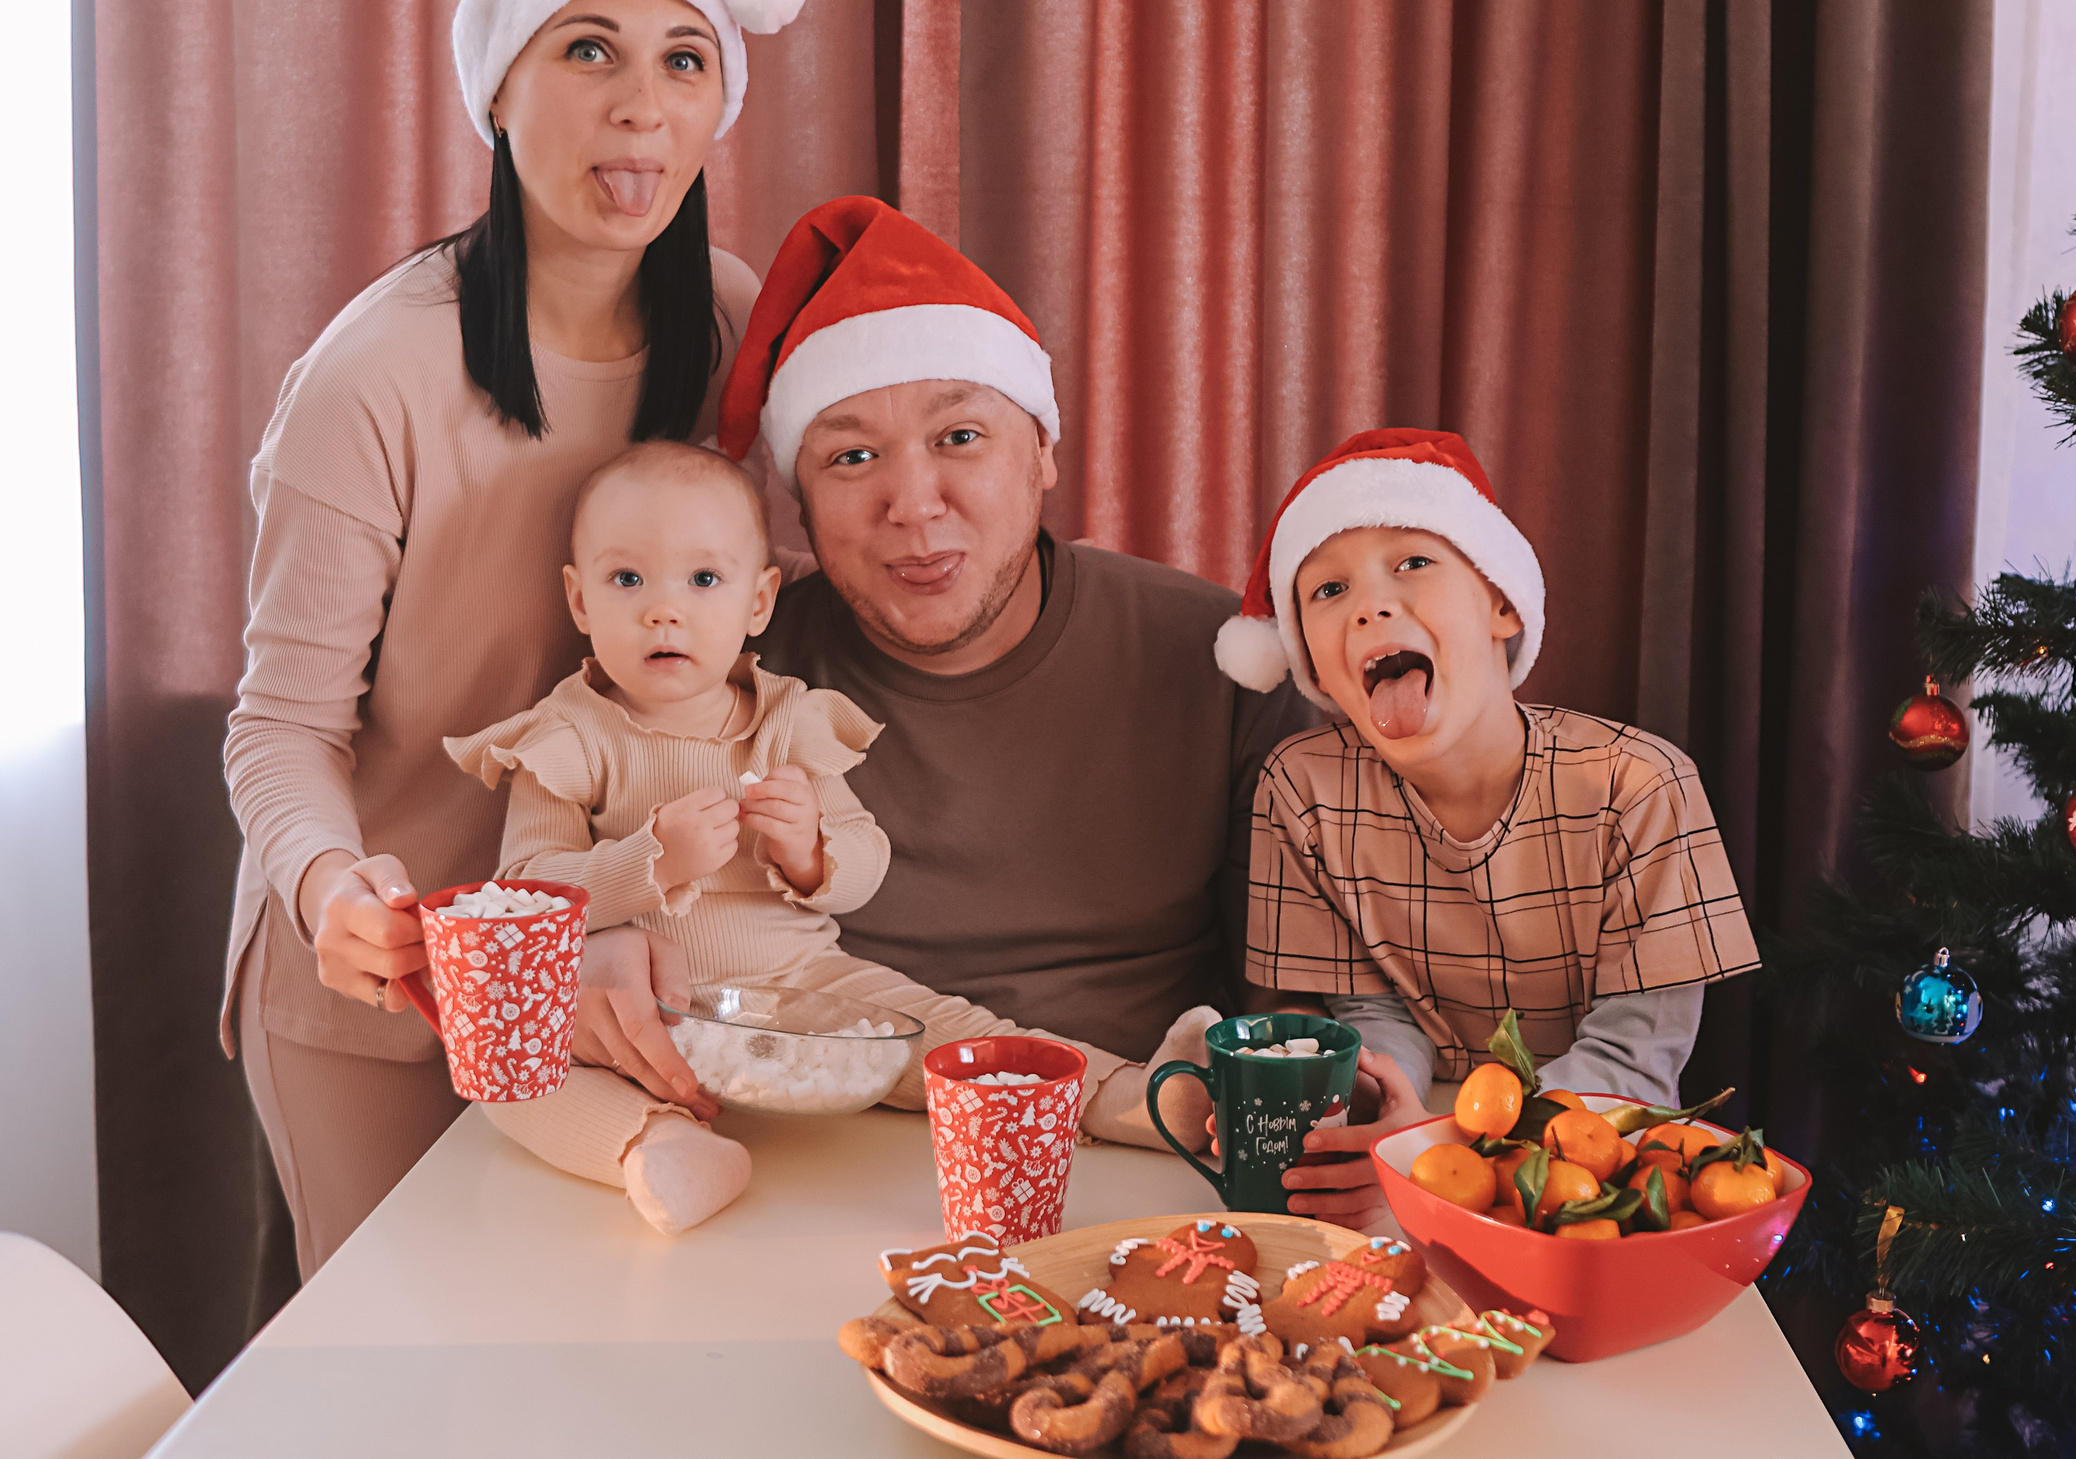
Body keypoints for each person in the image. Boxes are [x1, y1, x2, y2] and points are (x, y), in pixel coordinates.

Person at [221, 0, 813, 1275]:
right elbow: (283, 724)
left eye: (684, 60)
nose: (642, 104)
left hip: (622, 964)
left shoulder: (737, 322)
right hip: (392, 977)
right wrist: (325, 888)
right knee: (396, 1378)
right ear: (498, 87)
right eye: (588, 50)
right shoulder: (375, 377)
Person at [443, 442, 1215, 1232]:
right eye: (627, 579)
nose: (662, 609)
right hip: (637, 1012)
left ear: (758, 600)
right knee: (502, 1067)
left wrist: (812, 853)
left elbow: (865, 856)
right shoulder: (570, 731)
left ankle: (1137, 1096)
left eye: (703, 580)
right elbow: (525, 895)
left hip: (798, 981)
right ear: (578, 600)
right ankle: (655, 1144)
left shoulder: (785, 719)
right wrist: (650, 861)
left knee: (947, 1030)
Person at [720, 196, 1316, 1097]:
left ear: (1041, 448)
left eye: (960, 437)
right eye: (850, 458)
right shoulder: (726, 679)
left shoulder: (1224, 662)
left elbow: (1299, 1016)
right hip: (828, 1136)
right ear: (795, 497)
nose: (914, 504)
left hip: (1155, 1138)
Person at [1213, 427, 1763, 1224]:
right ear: (1314, 666)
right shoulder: (1301, 790)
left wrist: (1440, 1153)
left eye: (1412, 562)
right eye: (1327, 591)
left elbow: (1632, 1061)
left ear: (1503, 603)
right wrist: (1345, 1111)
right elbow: (1372, 1015)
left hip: (1589, 1166)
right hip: (1415, 1158)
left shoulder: (1642, 786)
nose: (1370, 604)